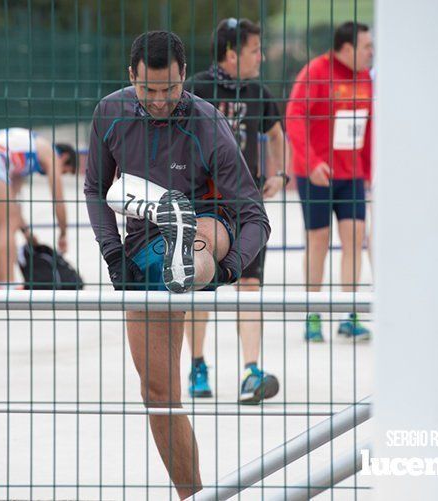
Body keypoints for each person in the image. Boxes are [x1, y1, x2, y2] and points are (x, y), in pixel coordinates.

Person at [84, 31, 270, 498]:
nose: (161, 100)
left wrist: (232, 270)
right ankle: (194, 495)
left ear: (185, 76)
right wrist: (111, 254)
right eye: (149, 90)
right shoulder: (109, 113)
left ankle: (191, 259)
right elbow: (94, 189)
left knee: (202, 238)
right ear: (132, 77)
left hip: (210, 225)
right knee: (159, 396)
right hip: (143, 248)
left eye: (170, 89)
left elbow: (254, 216)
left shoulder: (209, 123)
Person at [183, 17, 285, 403]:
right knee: (200, 283)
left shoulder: (258, 92)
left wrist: (281, 175)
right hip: (204, 204)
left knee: (250, 285)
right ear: (231, 54)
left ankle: (251, 371)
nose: (261, 57)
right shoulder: (197, 90)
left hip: (246, 206)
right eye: (255, 50)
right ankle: (197, 366)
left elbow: (276, 135)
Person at [285, 21, 373, 342]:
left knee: (355, 239)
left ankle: (349, 314)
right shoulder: (315, 72)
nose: (371, 53)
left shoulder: (364, 77)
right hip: (317, 174)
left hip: (352, 175)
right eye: (366, 47)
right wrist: (310, 163)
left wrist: (370, 170)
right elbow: (294, 117)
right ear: (346, 49)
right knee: (318, 242)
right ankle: (313, 313)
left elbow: (369, 125)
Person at [0, 128, 76, 286]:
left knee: (2, 223)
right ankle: (7, 283)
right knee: (6, 223)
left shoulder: (23, 158)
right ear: (64, 157)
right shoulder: (50, 154)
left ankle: (3, 283)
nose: (60, 174)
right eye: (64, 171)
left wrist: (26, 232)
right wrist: (63, 234)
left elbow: (13, 204)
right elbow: (58, 200)